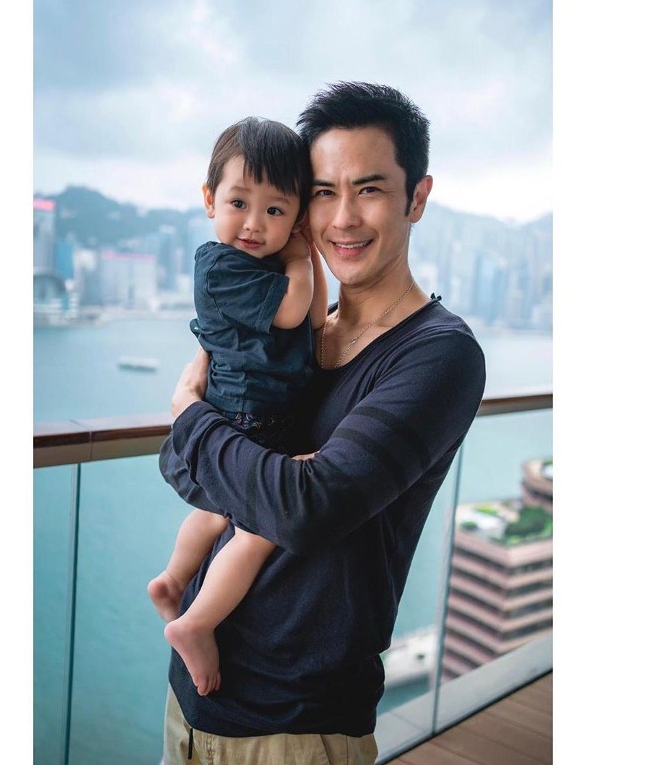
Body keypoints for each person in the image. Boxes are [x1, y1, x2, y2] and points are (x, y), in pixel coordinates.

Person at [159, 82, 487, 765]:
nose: (342, 218)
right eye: (323, 192)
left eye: (369, 190)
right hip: (191, 703)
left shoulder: (438, 356)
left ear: (417, 197)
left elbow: (306, 509)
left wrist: (190, 415)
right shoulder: (302, 339)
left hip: (296, 728)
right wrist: (225, 456)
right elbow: (183, 471)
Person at [147, 116, 328, 698]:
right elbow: (293, 311)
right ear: (209, 200)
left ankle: (173, 581)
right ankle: (195, 622)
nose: (254, 223)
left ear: (296, 216)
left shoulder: (269, 265)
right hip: (249, 419)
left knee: (217, 513)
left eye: (275, 210)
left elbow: (314, 320)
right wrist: (299, 260)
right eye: (239, 203)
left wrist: (307, 258)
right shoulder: (221, 265)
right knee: (259, 527)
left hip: (254, 416)